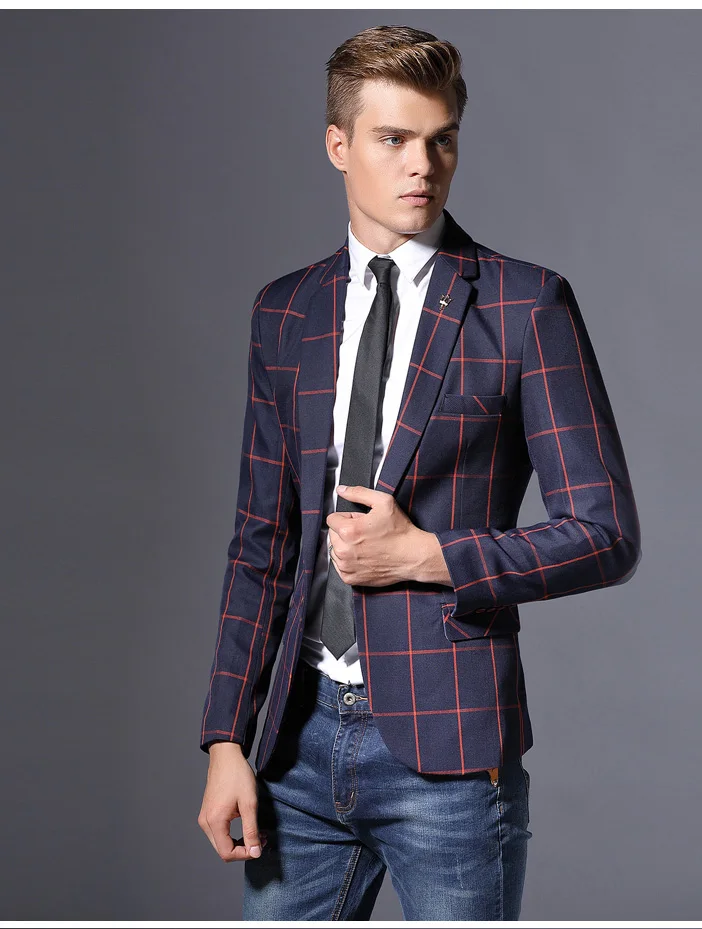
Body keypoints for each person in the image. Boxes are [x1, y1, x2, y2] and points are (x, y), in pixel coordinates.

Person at [197, 23, 641, 921]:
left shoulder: (525, 305)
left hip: (449, 753)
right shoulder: (285, 312)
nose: (422, 166)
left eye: (441, 141)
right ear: (338, 145)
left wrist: (430, 555)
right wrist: (224, 738)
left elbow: (606, 534)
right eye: (393, 139)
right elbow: (260, 543)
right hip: (293, 744)